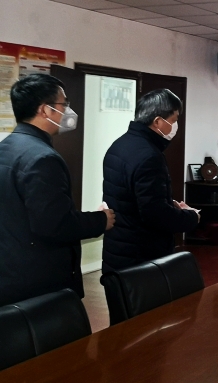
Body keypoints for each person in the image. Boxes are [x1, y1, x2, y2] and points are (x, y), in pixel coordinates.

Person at [0, 73, 115, 307]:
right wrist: (101, 220)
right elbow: (55, 225)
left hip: (10, 271)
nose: (68, 112)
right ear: (45, 110)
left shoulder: (6, 148)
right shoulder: (43, 159)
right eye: (64, 104)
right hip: (40, 279)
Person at [102, 88, 199, 271]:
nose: (175, 126)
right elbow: (156, 215)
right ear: (157, 121)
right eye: (174, 120)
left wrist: (165, 201)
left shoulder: (119, 145)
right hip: (142, 258)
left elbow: (131, 197)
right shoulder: (149, 156)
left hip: (118, 249)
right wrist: (192, 216)